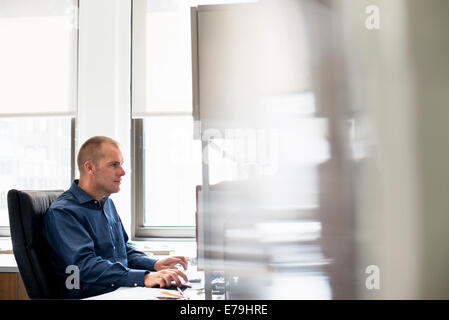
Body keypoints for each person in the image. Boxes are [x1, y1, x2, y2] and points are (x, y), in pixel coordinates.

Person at [43, 136, 188, 299]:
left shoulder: (106, 203)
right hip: (93, 295)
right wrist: (145, 277)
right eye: (114, 165)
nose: (122, 172)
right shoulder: (64, 212)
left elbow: (123, 250)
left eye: (121, 164)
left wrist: (153, 264)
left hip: (119, 291)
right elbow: (84, 266)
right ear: (90, 168)